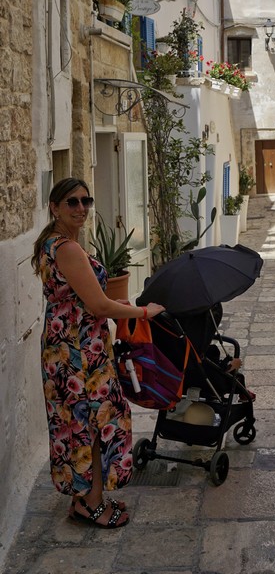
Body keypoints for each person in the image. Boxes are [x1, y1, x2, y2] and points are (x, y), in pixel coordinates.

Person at [32, 177, 165, 529]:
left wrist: (111, 305)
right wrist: (141, 312)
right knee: (97, 422)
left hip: (69, 346)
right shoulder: (68, 248)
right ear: (54, 207)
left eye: (85, 201)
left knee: (79, 423)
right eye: (72, 202)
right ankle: (91, 504)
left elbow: (78, 299)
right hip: (78, 353)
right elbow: (94, 302)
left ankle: (85, 496)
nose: (81, 208)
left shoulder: (52, 243)